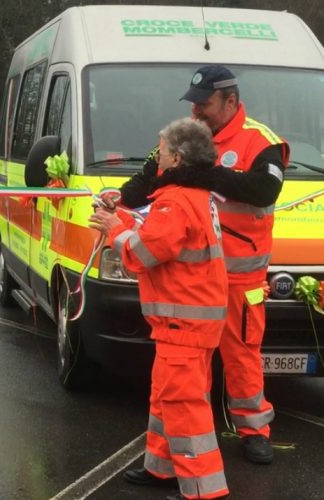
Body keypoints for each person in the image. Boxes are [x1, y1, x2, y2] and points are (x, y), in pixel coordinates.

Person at [119, 65, 289, 465]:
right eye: (192, 104)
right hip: (192, 282)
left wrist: (205, 176)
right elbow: (145, 179)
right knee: (186, 370)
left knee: (243, 355)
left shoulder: (260, 141)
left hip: (240, 276)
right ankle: (195, 432)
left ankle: (253, 429)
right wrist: (121, 202)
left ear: (231, 101)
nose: (196, 112)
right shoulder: (183, 139)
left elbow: (265, 187)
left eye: (204, 104)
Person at [91, 118, 229, 500]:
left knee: (184, 407)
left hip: (183, 322)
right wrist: (120, 222)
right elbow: (158, 240)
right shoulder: (192, 196)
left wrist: (113, 229)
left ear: (177, 158)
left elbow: (143, 253)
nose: (157, 157)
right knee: (167, 399)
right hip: (186, 322)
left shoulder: (176, 201)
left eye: (162, 150)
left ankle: (203, 490)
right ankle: (162, 468)